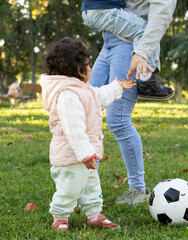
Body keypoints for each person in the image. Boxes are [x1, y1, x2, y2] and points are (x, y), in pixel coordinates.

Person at [80, 0, 177, 204]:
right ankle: (85, 183)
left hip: (128, 46)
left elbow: (161, 14)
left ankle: (137, 189)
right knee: (88, 109)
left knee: (118, 119)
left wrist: (143, 52)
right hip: (109, 42)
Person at [40, 38, 136, 231]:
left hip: (85, 154)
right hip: (71, 155)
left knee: (92, 185)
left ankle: (93, 214)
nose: (90, 68)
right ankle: (60, 216)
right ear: (78, 70)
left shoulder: (83, 89)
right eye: (88, 64)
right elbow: (73, 129)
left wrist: (117, 88)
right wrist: (85, 154)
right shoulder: (67, 94)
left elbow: (98, 96)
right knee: (70, 188)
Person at [81, 0, 176, 100]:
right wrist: (142, 53)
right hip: (104, 12)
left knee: (90, 101)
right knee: (145, 31)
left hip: (92, 11)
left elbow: (162, 10)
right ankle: (146, 80)